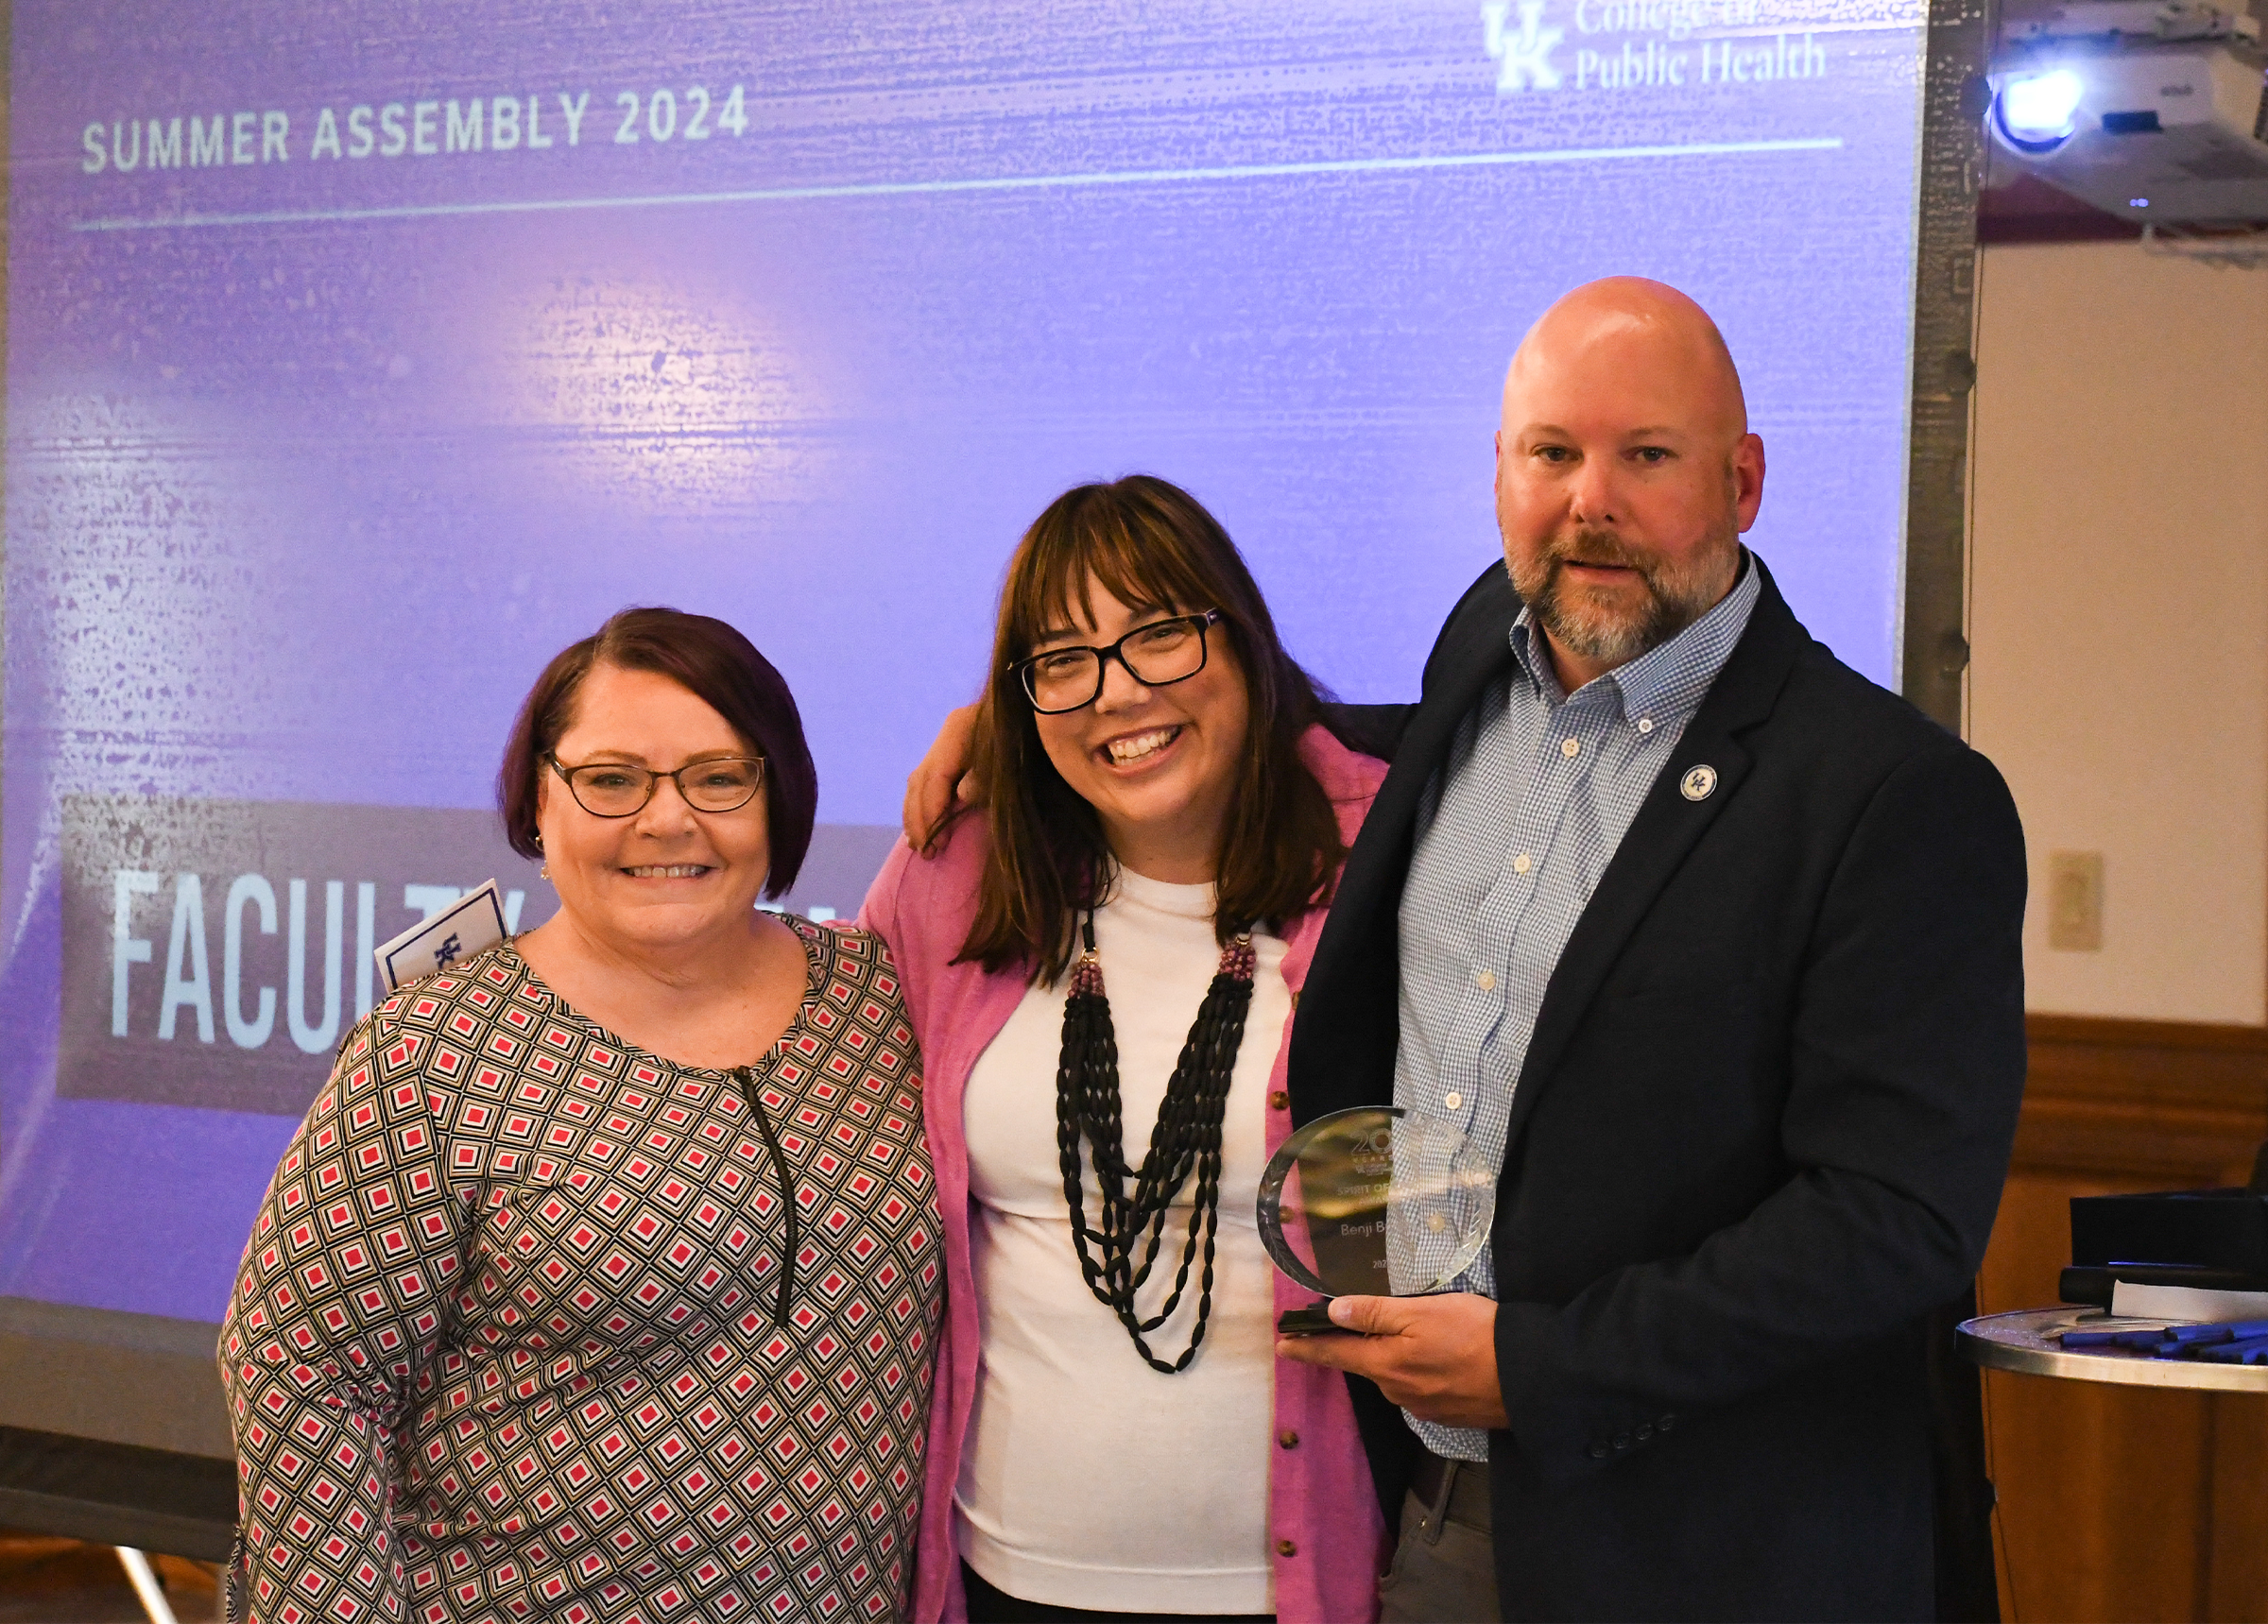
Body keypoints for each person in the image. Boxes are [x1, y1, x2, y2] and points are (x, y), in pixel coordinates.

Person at [906, 281, 2027, 1622]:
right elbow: (1265, 723)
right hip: (1427, 1531)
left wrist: (1550, 1366)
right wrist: (1030, 724)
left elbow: (1896, 1222)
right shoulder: (1470, 674)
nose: (1589, 502)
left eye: (1647, 456)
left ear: (1745, 479)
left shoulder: (1890, 796)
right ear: (1498, 476)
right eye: (1552, 454)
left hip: (1718, 1552)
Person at [218, 607, 943, 1624]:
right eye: (611, 781)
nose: (667, 819)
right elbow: (302, 1374)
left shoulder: (879, 996)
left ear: (781, 794)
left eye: (719, 775)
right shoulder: (434, 1048)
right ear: (538, 803)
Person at [859, 477, 1394, 1624]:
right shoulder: (953, 877)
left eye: (1159, 635)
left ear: (1239, 640)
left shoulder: (1386, 864)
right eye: (1064, 661)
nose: (1119, 694)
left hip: (1297, 1583)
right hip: (1008, 1574)